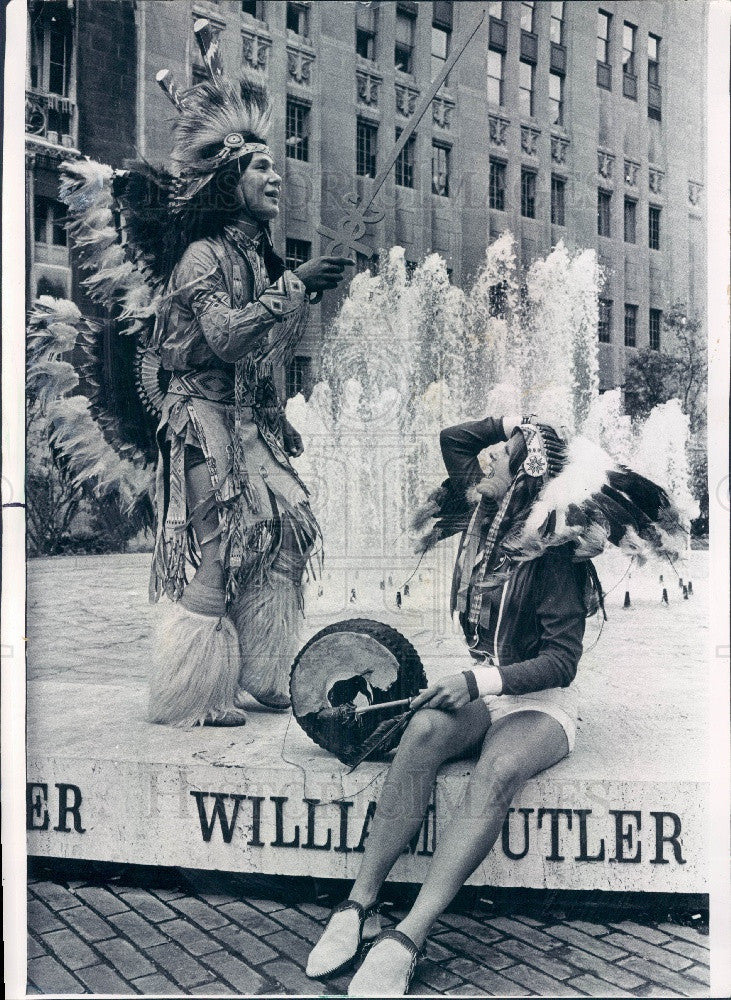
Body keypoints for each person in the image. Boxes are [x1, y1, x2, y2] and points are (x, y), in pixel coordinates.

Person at [306, 409, 684, 995]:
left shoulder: (557, 551)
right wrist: (520, 421)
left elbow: (560, 663)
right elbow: (453, 437)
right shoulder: (484, 507)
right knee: (425, 730)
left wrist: (476, 683)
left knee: (497, 770)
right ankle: (359, 905)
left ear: (525, 477)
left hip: (541, 702)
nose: (483, 457)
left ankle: (409, 934)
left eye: (500, 455)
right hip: (486, 684)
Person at [147, 60, 352, 726]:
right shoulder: (200, 257)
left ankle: (264, 671)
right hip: (199, 419)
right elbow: (227, 338)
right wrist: (294, 286)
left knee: (289, 526)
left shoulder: (252, 257)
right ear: (228, 182)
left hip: (243, 419)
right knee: (222, 546)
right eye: (261, 167)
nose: (275, 176)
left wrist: (297, 291)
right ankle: (194, 695)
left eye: (274, 167)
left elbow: (261, 349)